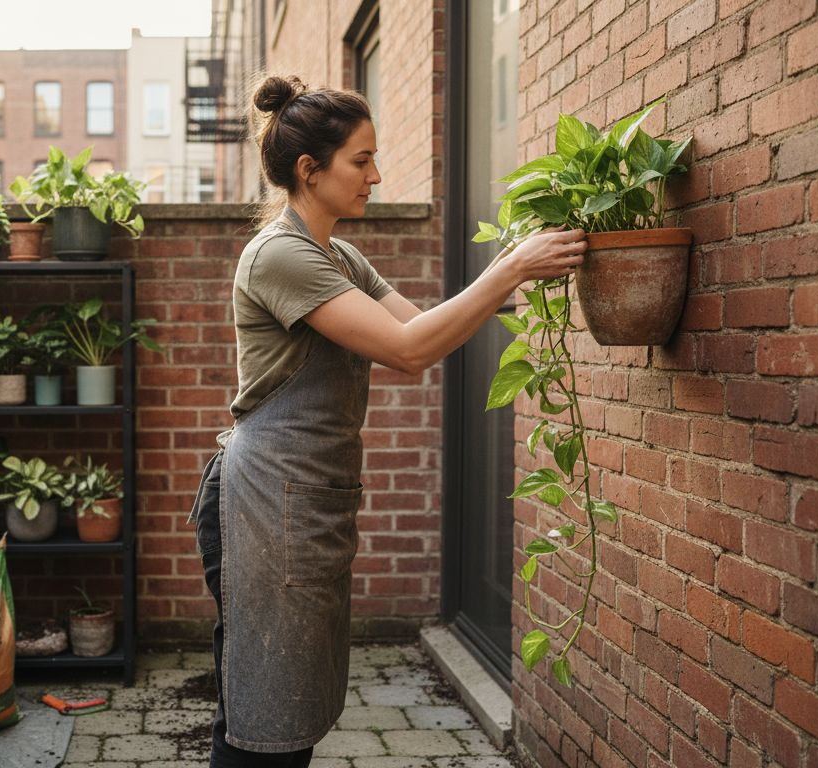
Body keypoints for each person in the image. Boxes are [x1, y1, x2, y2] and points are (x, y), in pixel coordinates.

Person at [187, 75, 587, 767]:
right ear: (310, 172)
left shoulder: (339, 256)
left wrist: (537, 276)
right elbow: (409, 351)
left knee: (293, 706)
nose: (377, 174)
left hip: (303, 500)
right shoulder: (280, 255)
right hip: (265, 503)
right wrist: (512, 267)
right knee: (261, 714)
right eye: (361, 160)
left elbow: (426, 329)